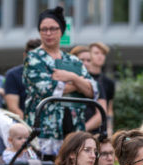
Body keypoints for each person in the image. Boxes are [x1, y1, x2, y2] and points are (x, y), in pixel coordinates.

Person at [23, 7, 98, 156]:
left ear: (61, 30)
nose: (48, 33)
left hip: (74, 124)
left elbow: (92, 90)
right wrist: (78, 84)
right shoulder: (33, 58)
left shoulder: (73, 60)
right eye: (44, 29)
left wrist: (71, 77)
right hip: (45, 129)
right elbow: (46, 90)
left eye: (53, 28)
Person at [4, 39, 41, 120]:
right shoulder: (13, 74)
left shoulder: (50, 73)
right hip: (24, 122)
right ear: (24, 55)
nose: (33, 60)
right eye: (30, 56)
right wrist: (26, 125)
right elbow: (13, 108)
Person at [88, 42, 115, 135]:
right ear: (89, 55)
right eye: (96, 53)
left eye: (103, 54)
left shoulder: (109, 82)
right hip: (83, 125)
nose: (100, 56)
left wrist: (110, 128)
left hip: (100, 130)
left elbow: (110, 108)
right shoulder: (83, 79)